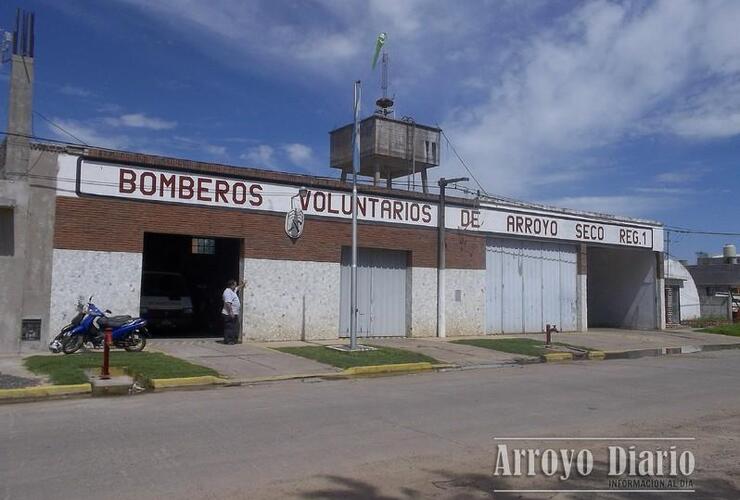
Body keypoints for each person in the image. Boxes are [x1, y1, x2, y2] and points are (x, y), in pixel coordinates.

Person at [222, 279, 244, 345]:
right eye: (235, 284)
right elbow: (228, 303)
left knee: (235, 327)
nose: (235, 286)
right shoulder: (227, 292)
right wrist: (231, 312)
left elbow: (238, 288)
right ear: (231, 285)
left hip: (234, 313)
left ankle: (233, 340)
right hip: (228, 314)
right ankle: (228, 340)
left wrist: (243, 284)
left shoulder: (233, 291)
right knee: (229, 327)